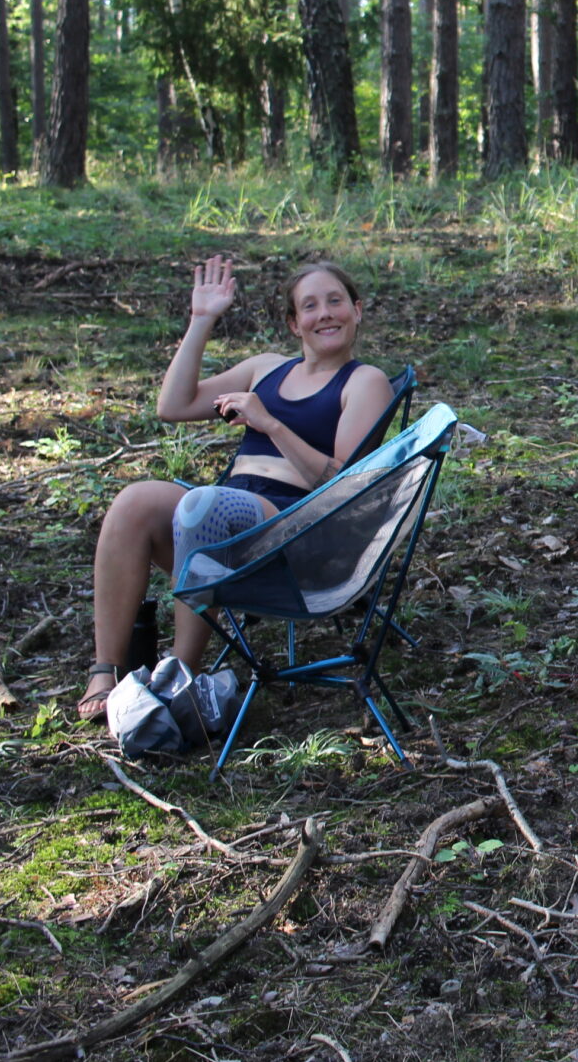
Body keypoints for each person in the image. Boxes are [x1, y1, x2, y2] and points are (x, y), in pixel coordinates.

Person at [76, 257, 394, 721]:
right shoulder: (266, 369)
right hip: (220, 526)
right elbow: (174, 405)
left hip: (299, 538)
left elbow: (342, 487)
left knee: (209, 505)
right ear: (294, 324)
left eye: (335, 301)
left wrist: (270, 423)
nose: (324, 313)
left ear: (357, 310)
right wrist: (202, 320)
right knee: (134, 502)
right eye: (309, 306)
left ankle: (179, 676)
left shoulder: (364, 382)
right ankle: (105, 670)